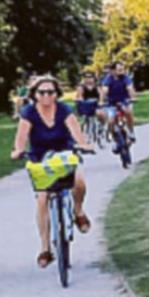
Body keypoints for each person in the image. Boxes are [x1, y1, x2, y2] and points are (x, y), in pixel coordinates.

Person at [10, 75, 94, 268]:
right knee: (42, 199)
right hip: (40, 157)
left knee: (79, 182)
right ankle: (45, 248)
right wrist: (18, 150)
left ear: (57, 94)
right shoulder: (29, 112)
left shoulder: (63, 109)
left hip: (64, 153)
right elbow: (21, 137)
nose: (47, 96)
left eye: (51, 92)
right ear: (35, 94)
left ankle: (78, 211)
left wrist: (83, 144)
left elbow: (75, 130)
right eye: (42, 92)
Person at [103, 61, 136, 144]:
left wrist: (133, 97)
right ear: (113, 71)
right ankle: (112, 136)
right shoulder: (108, 79)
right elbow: (104, 90)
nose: (122, 71)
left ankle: (131, 132)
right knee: (111, 120)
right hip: (111, 102)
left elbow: (130, 88)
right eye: (119, 70)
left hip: (124, 101)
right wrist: (102, 99)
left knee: (128, 112)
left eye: (122, 69)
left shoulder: (125, 78)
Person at [75, 70, 102, 140]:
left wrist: (101, 101)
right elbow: (79, 96)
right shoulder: (81, 86)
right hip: (85, 105)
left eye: (90, 77)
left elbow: (101, 95)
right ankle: (82, 132)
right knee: (82, 118)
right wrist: (80, 100)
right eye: (86, 77)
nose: (88, 79)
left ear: (94, 78)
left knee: (100, 114)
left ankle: (101, 127)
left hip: (96, 105)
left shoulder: (97, 86)